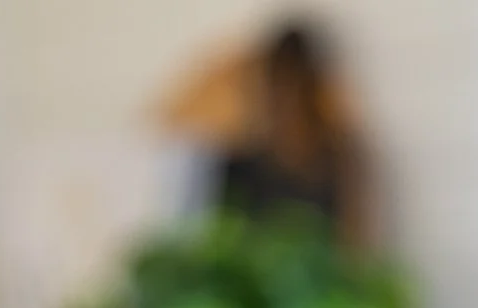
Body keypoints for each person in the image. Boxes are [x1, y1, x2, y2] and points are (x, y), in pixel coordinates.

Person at [159, 21, 377, 248]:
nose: (287, 99)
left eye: (295, 87)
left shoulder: (336, 160)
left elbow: (352, 240)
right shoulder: (239, 160)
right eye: (280, 86)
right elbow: (217, 235)